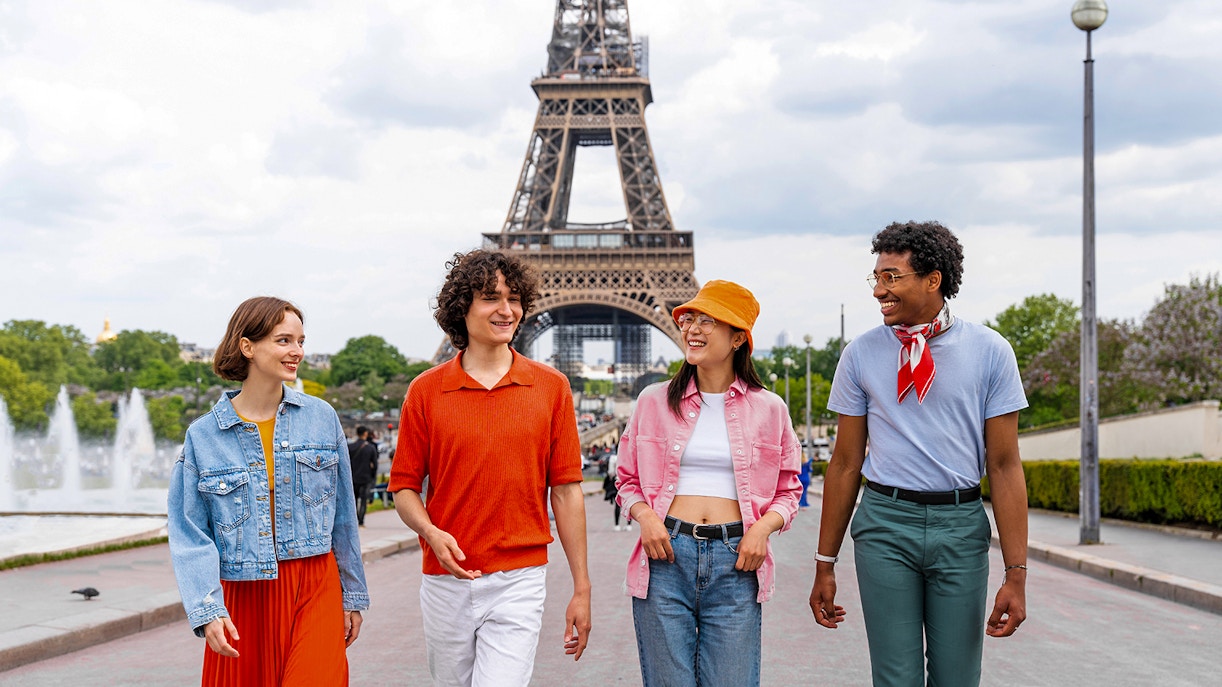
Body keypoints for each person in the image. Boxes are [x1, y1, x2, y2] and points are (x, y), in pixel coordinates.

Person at [808, 221, 1029, 687]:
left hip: (960, 527)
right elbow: (846, 463)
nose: (879, 291)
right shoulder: (860, 354)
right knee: (895, 678)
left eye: (892, 277)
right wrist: (824, 562)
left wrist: (1016, 572)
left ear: (933, 280)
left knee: (957, 678)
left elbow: (1005, 465)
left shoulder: (991, 351)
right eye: (876, 278)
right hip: (885, 525)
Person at [389, 249, 591, 686]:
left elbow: (567, 490)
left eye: (514, 298)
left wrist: (582, 587)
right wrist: (430, 532)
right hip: (446, 578)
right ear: (462, 308)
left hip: (519, 578)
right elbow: (404, 486)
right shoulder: (425, 391)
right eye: (490, 298)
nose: (506, 310)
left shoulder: (552, 388)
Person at [616, 280, 808, 687]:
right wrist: (647, 518)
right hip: (665, 556)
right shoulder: (653, 400)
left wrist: (762, 528)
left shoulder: (770, 409)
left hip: (737, 559)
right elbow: (627, 478)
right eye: (689, 319)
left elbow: (790, 490)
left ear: (739, 337)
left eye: (708, 321)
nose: (692, 329)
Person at [168, 296, 369, 686]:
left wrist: (352, 595)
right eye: (283, 341)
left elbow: (343, 517)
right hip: (244, 596)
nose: (297, 352)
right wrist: (207, 608)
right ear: (247, 347)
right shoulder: (203, 436)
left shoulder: (321, 418)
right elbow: (189, 532)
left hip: (316, 585)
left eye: (300, 341)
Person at [348, 425, 378, 526]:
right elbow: (375, 464)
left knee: (354, 499)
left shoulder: (350, 447)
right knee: (364, 499)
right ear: (365, 433)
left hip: (353, 477)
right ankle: (361, 521)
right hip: (366, 477)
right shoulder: (370, 448)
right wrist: (373, 477)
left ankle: (354, 519)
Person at [602, 460, 623, 531]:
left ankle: (617, 525)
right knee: (629, 505)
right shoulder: (629, 454)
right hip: (627, 482)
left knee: (617, 505)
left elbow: (610, 472)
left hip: (617, 482)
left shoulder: (613, 458)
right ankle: (629, 524)